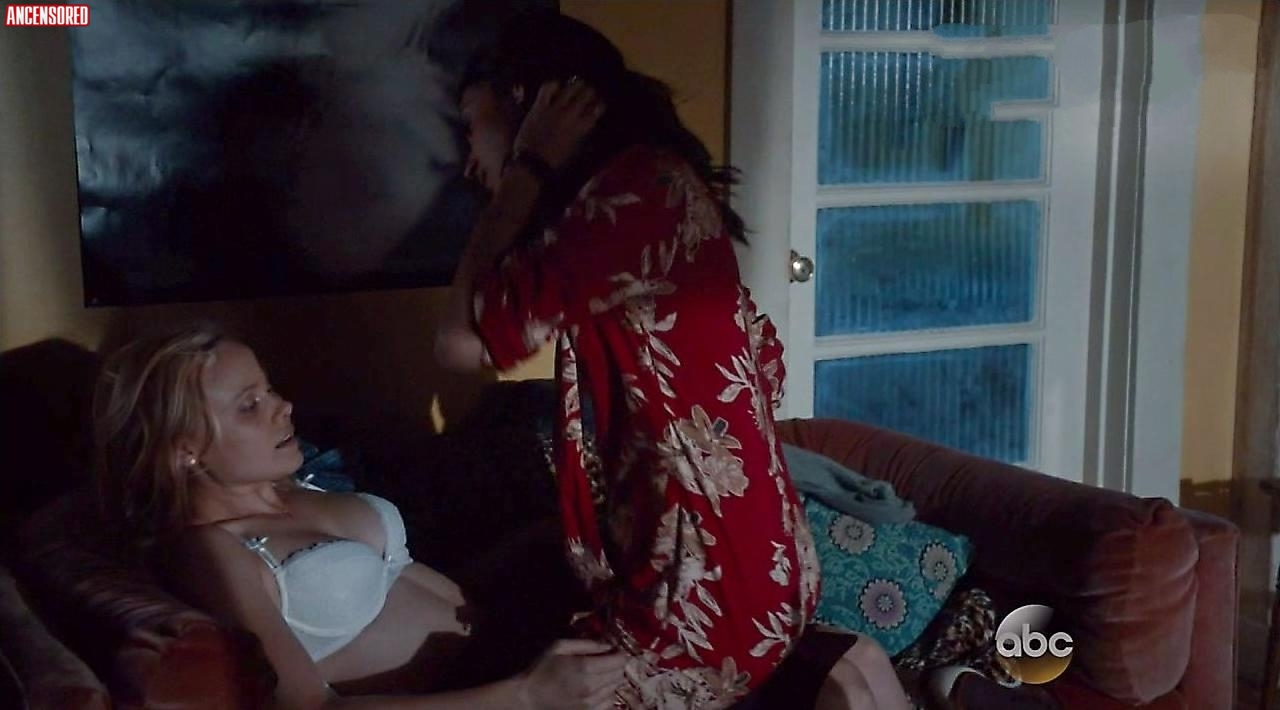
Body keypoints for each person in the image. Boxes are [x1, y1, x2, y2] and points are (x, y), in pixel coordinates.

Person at [433, 11, 910, 710]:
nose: (469, 161)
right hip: (755, 559)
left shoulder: (630, 198)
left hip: (706, 587)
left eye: (473, 129)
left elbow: (458, 343)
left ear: (531, 108)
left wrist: (528, 168)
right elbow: (757, 365)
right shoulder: (663, 185)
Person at [93, 324, 629, 710]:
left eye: (269, 388)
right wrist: (527, 695)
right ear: (185, 450)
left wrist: (534, 543)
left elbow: (406, 585)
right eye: (249, 405)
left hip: (514, 639)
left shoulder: (299, 485)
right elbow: (311, 708)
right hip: (487, 693)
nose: (283, 406)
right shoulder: (209, 550)